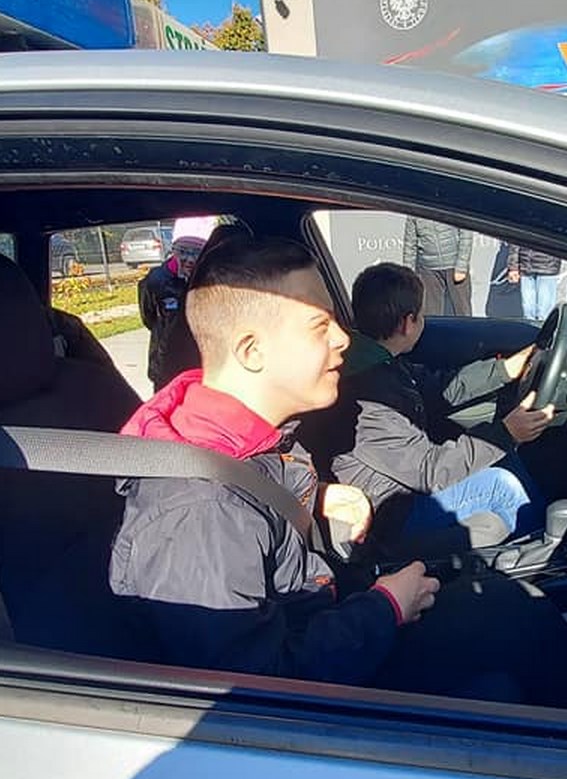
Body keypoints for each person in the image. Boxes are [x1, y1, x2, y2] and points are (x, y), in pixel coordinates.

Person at [109, 237, 439, 685]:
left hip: (325, 624)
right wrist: (384, 609)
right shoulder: (198, 515)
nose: (343, 338)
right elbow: (254, 688)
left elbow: (251, 506)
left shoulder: (248, 440)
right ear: (252, 352)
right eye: (319, 325)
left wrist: (316, 497)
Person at [328, 263, 554, 548]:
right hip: (390, 512)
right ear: (407, 323)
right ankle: (545, 556)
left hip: (403, 486)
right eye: (421, 315)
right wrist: (505, 433)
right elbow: (429, 471)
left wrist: (503, 371)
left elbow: (437, 388)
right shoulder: (368, 395)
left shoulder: (380, 363)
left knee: (501, 457)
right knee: (502, 486)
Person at [137, 218, 211, 391]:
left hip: (202, 364)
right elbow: (149, 318)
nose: (189, 259)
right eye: (183, 251)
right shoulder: (156, 280)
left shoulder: (212, 278)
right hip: (166, 365)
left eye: (197, 252)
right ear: (173, 249)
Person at [402, 216, 474, 316]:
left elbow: (466, 233)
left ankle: (467, 328)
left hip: (454, 265)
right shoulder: (414, 212)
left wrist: (461, 266)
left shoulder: (449, 206)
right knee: (431, 314)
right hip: (428, 269)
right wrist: (408, 276)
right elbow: (409, 244)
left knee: (463, 312)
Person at [507, 243, 562, 322]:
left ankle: (543, 329)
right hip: (527, 267)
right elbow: (515, 243)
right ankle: (532, 329)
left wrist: (513, 267)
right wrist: (513, 267)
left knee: (544, 314)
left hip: (546, 268)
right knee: (529, 312)